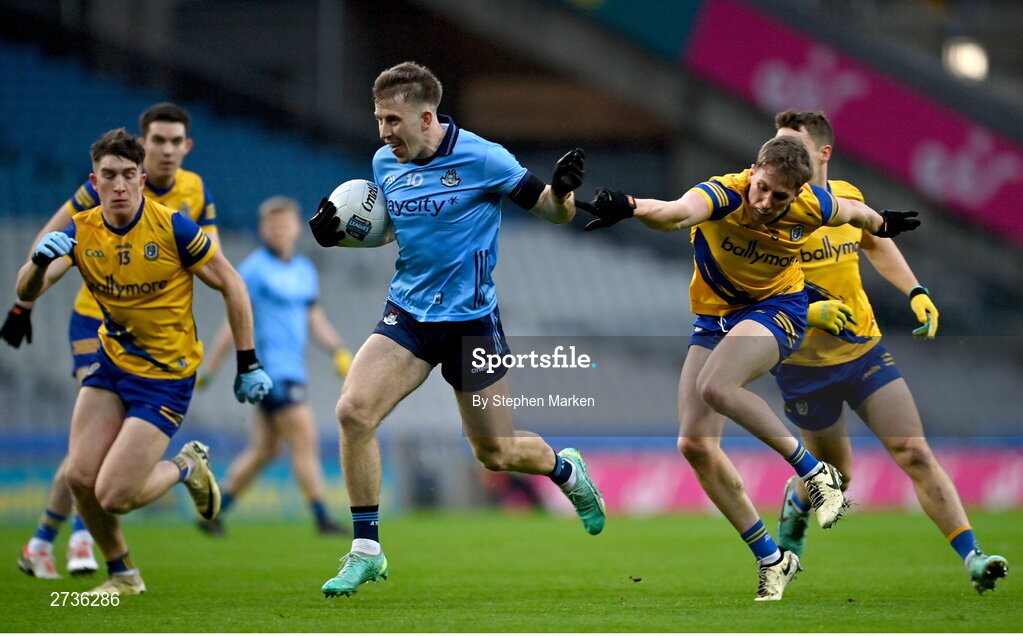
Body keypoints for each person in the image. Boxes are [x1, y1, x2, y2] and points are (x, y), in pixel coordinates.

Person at [578, 135, 920, 601]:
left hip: (778, 309)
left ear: (797, 193)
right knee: (694, 445)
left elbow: (856, 215)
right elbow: (678, 213)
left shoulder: (813, 206)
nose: (764, 202)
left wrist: (885, 223)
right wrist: (632, 206)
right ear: (752, 172)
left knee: (717, 385)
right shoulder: (724, 193)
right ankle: (772, 558)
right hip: (715, 318)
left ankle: (814, 472)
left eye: (779, 196)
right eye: (761, 187)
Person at [308, 61, 604, 598]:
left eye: (392, 120)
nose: (383, 133)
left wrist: (561, 192)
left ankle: (566, 470)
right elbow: (392, 228)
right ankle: (365, 550)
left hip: (471, 324)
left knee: (495, 453)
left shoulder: (484, 157)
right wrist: (341, 232)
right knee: (354, 411)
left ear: (426, 116)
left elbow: (552, 213)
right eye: (378, 119)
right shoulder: (383, 162)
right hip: (409, 317)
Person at [15, 128, 272, 595]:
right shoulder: (81, 230)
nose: (118, 185)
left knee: (113, 495)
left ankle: (187, 467)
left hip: (165, 378)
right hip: (112, 365)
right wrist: (36, 264)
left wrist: (248, 362)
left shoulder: (173, 227)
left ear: (141, 179)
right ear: (94, 181)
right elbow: (26, 290)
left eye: (128, 175)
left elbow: (233, 284)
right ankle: (124, 576)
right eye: (108, 176)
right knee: (78, 475)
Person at [769, 109, 1008, 594]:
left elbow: (876, 244)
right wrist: (806, 314)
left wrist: (915, 291)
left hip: (863, 352)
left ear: (822, 154)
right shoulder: (767, 212)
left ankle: (974, 559)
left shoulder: (849, 199)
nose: (778, 156)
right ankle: (796, 505)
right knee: (836, 479)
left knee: (915, 452)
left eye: (790, 145)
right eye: (775, 146)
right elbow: (750, 287)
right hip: (802, 366)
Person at [197, 196, 352, 536]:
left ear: (296, 228)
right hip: (268, 372)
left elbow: (314, 317)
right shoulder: (254, 269)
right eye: (272, 225)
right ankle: (323, 518)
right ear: (262, 229)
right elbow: (234, 320)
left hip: (294, 370)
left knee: (265, 450)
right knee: (305, 439)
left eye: (284, 224)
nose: (279, 231)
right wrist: (212, 366)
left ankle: (214, 512)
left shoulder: (304, 270)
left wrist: (337, 350)